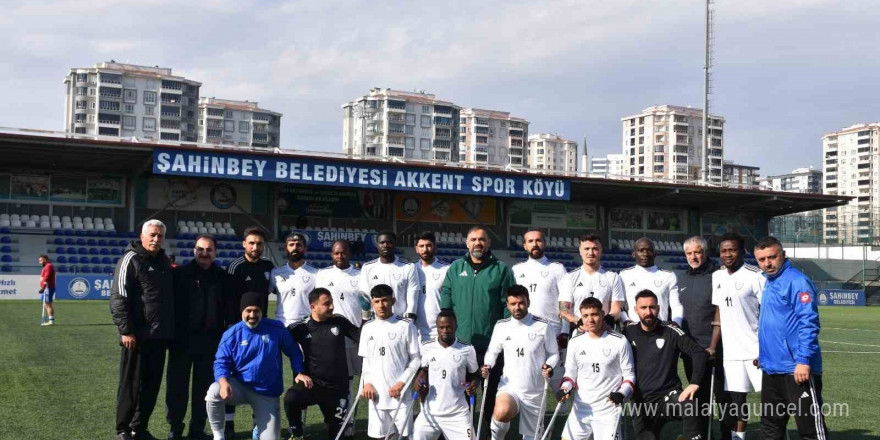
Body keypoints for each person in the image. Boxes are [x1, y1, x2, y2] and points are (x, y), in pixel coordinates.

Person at [440, 225, 516, 439]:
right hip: (462, 346)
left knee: (490, 394)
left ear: (488, 243)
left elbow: (507, 304)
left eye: (482, 239)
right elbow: (446, 295)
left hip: (492, 346)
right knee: (461, 394)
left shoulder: (501, 269)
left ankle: (488, 434)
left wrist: (504, 336)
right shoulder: (456, 268)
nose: (477, 243)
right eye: (473, 239)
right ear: (467, 243)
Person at [206, 291, 307, 440]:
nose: (252, 315)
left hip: (266, 391)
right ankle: (219, 436)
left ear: (262, 311)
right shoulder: (231, 334)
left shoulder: (276, 329)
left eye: (256, 311)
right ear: (242, 311)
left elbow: (294, 351)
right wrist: (223, 382)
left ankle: (259, 428)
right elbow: (221, 362)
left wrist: (298, 371)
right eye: (248, 311)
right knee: (213, 391)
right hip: (240, 387)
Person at [754, 236, 827, 440]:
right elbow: (775, 324)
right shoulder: (769, 282)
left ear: (783, 255)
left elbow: (809, 323)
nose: (767, 263)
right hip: (771, 368)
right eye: (761, 259)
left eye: (772, 257)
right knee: (770, 428)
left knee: (811, 429)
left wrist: (803, 361)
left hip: (797, 370)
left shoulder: (797, 281)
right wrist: (765, 356)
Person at [110, 220, 175, 440]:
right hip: (136, 337)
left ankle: (140, 428)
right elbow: (119, 298)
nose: (156, 239)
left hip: (160, 336)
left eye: (160, 236)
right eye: (152, 235)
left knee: (151, 385)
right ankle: (123, 429)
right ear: (142, 235)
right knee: (131, 385)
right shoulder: (130, 259)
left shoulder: (164, 261)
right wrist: (126, 330)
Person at [165, 235, 230, 440]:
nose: (204, 253)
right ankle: (175, 428)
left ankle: (197, 428)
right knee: (177, 385)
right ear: (194, 251)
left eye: (209, 249)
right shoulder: (180, 274)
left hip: (211, 341)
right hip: (182, 340)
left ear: (215, 253)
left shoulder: (222, 276)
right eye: (200, 249)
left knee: (204, 387)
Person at [621, 290, 707, 440]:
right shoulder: (628, 333)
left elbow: (698, 352)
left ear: (659, 308)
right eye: (643, 308)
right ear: (635, 310)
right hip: (642, 402)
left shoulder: (671, 331)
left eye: (652, 307)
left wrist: (694, 383)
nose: (648, 312)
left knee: (689, 405)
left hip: (669, 396)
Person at [481, 285, 559, 440]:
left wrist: (549, 366)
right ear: (508, 305)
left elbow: (554, 354)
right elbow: (492, 352)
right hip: (510, 387)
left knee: (532, 437)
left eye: (521, 303)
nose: (517, 307)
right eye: (513, 304)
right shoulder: (502, 326)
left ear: (528, 302)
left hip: (535, 391)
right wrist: (487, 365)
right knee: (502, 411)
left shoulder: (543, 325)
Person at [284, 288, 361, 440]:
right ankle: (297, 433)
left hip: (338, 389)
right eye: (327, 304)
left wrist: (365, 316)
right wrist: (298, 372)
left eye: (331, 303)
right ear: (313, 307)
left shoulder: (338, 321)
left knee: (338, 435)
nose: (332, 306)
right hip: (313, 385)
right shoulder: (300, 328)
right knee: (291, 398)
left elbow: (360, 336)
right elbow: (282, 343)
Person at [712, 233, 764, 440]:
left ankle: (772, 433)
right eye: (724, 251)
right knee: (737, 399)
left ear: (742, 251)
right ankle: (738, 437)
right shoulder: (717, 276)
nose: (728, 254)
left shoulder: (755, 275)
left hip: (756, 349)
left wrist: (767, 348)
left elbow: (767, 311)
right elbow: (718, 313)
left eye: (732, 250)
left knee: (769, 397)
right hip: (731, 351)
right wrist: (713, 346)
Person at [677, 235, 731, 440]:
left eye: (697, 252)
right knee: (698, 398)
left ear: (705, 253)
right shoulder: (681, 278)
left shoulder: (718, 276)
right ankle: (700, 436)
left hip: (717, 349)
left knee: (723, 397)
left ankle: (728, 435)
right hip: (692, 351)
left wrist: (714, 345)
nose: (693, 256)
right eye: (689, 253)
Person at [225, 226, 276, 437]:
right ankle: (228, 425)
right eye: (252, 243)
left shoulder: (268, 266)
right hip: (239, 331)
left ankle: (258, 424)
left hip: (262, 330)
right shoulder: (235, 267)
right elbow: (227, 300)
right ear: (244, 244)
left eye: (260, 244)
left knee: (259, 375)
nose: (256, 247)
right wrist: (231, 329)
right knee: (233, 375)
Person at [559, 297, 635, 440]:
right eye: (586, 316)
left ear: (602, 314)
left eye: (594, 314)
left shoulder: (619, 341)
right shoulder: (575, 342)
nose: (590, 320)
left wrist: (621, 394)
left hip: (608, 411)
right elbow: (570, 375)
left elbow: (629, 376)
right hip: (581, 410)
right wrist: (564, 388)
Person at [359, 284, 421, 439]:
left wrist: (401, 383)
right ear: (372, 303)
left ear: (393, 301)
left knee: (405, 436)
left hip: (400, 395)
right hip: (377, 395)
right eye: (377, 301)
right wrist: (367, 383)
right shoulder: (367, 328)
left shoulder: (406, 325)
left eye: (385, 300)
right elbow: (366, 361)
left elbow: (415, 360)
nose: (381, 305)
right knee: (381, 436)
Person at [413, 310, 479, 440]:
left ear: (455, 327)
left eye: (449, 327)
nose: (445, 330)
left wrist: (473, 385)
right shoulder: (427, 347)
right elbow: (424, 370)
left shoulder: (467, 349)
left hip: (457, 414)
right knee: (416, 435)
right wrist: (419, 378)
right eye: (441, 327)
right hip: (431, 412)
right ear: (437, 328)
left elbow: (475, 375)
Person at [559, 234, 624, 327]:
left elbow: (616, 309)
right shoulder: (569, 277)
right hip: (579, 332)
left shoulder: (613, 277)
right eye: (586, 249)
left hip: (605, 331)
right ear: (580, 251)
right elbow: (564, 310)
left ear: (601, 251)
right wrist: (580, 322)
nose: (591, 253)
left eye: (595, 249)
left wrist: (606, 320)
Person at [619, 237, 682, 325]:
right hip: (634, 330)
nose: (645, 254)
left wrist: (677, 323)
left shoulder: (668, 276)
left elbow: (676, 305)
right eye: (641, 250)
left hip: (661, 330)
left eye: (649, 250)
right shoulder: (624, 275)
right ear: (634, 254)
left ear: (655, 254)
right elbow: (619, 305)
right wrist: (625, 320)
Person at [360, 230, 420, 320]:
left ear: (395, 244)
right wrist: (367, 320)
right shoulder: (367, 268)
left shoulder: (408, 267)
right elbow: (366, 298)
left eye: (389, 242)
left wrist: (408, 321)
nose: (385, 245)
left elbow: (412, 300)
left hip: (400, 322)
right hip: (376, 321)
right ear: (377, 245)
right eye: (382, 242)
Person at [272, 232, 318, 327]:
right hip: (281, 325)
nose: (295, 247)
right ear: (286, 248)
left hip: (306, 325)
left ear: (305, 249)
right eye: (291, 244)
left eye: (298, 245)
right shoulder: (276, 273)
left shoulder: (316, 273)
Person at [413, 232, 450, 341]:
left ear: (435, 247)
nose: (425, 249)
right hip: (415, 332)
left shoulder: (446, 269)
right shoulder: (410, 270)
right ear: (416, 249)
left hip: (439, 332)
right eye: (421, 246)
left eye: (428, 245)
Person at [38, 254, 56, 326]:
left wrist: (43, 287)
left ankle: (51, 321)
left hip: (47, 288)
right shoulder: (46, 266)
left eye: (40, 260)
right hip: (46, 288)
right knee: (46, 304)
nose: (40, 262)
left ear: (45, 259)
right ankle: (50, 318)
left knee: (48, 304)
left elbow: (47, 277)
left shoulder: (49, 266)